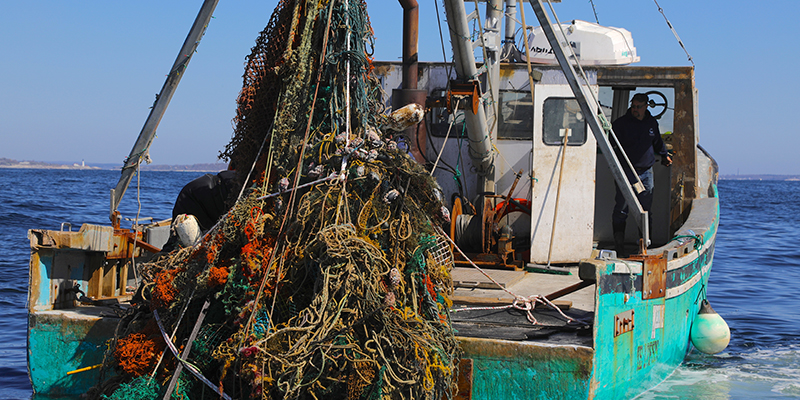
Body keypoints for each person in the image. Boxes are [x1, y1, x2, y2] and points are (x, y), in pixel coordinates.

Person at [611, 93, 672, 256]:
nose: (635, 110)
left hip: (646, 173)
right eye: (633, 106)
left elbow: (657, 142)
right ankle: (619, 247)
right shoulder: (620, 124)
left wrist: (664, 154)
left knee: (645, 211)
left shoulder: (651, 123)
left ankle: (644, 247)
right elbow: (611, 143)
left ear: (646, 106)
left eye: (638, 107)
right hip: (625, 171)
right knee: (621, 209)